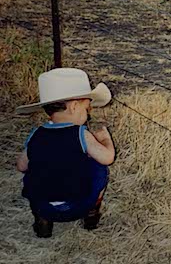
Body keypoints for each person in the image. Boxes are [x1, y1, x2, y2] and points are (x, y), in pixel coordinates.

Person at [15, 68, 115, 238]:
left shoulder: (36, 134)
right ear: (75, 107)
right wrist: (105, 139)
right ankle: (91, 212)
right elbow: (108, 158)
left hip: (43, 206)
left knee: (32, 171)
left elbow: (21, 166)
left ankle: (42, 220)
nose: (88, 115)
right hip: (78, 205)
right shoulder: (81, 134)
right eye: (87, 109)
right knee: (99, 168)